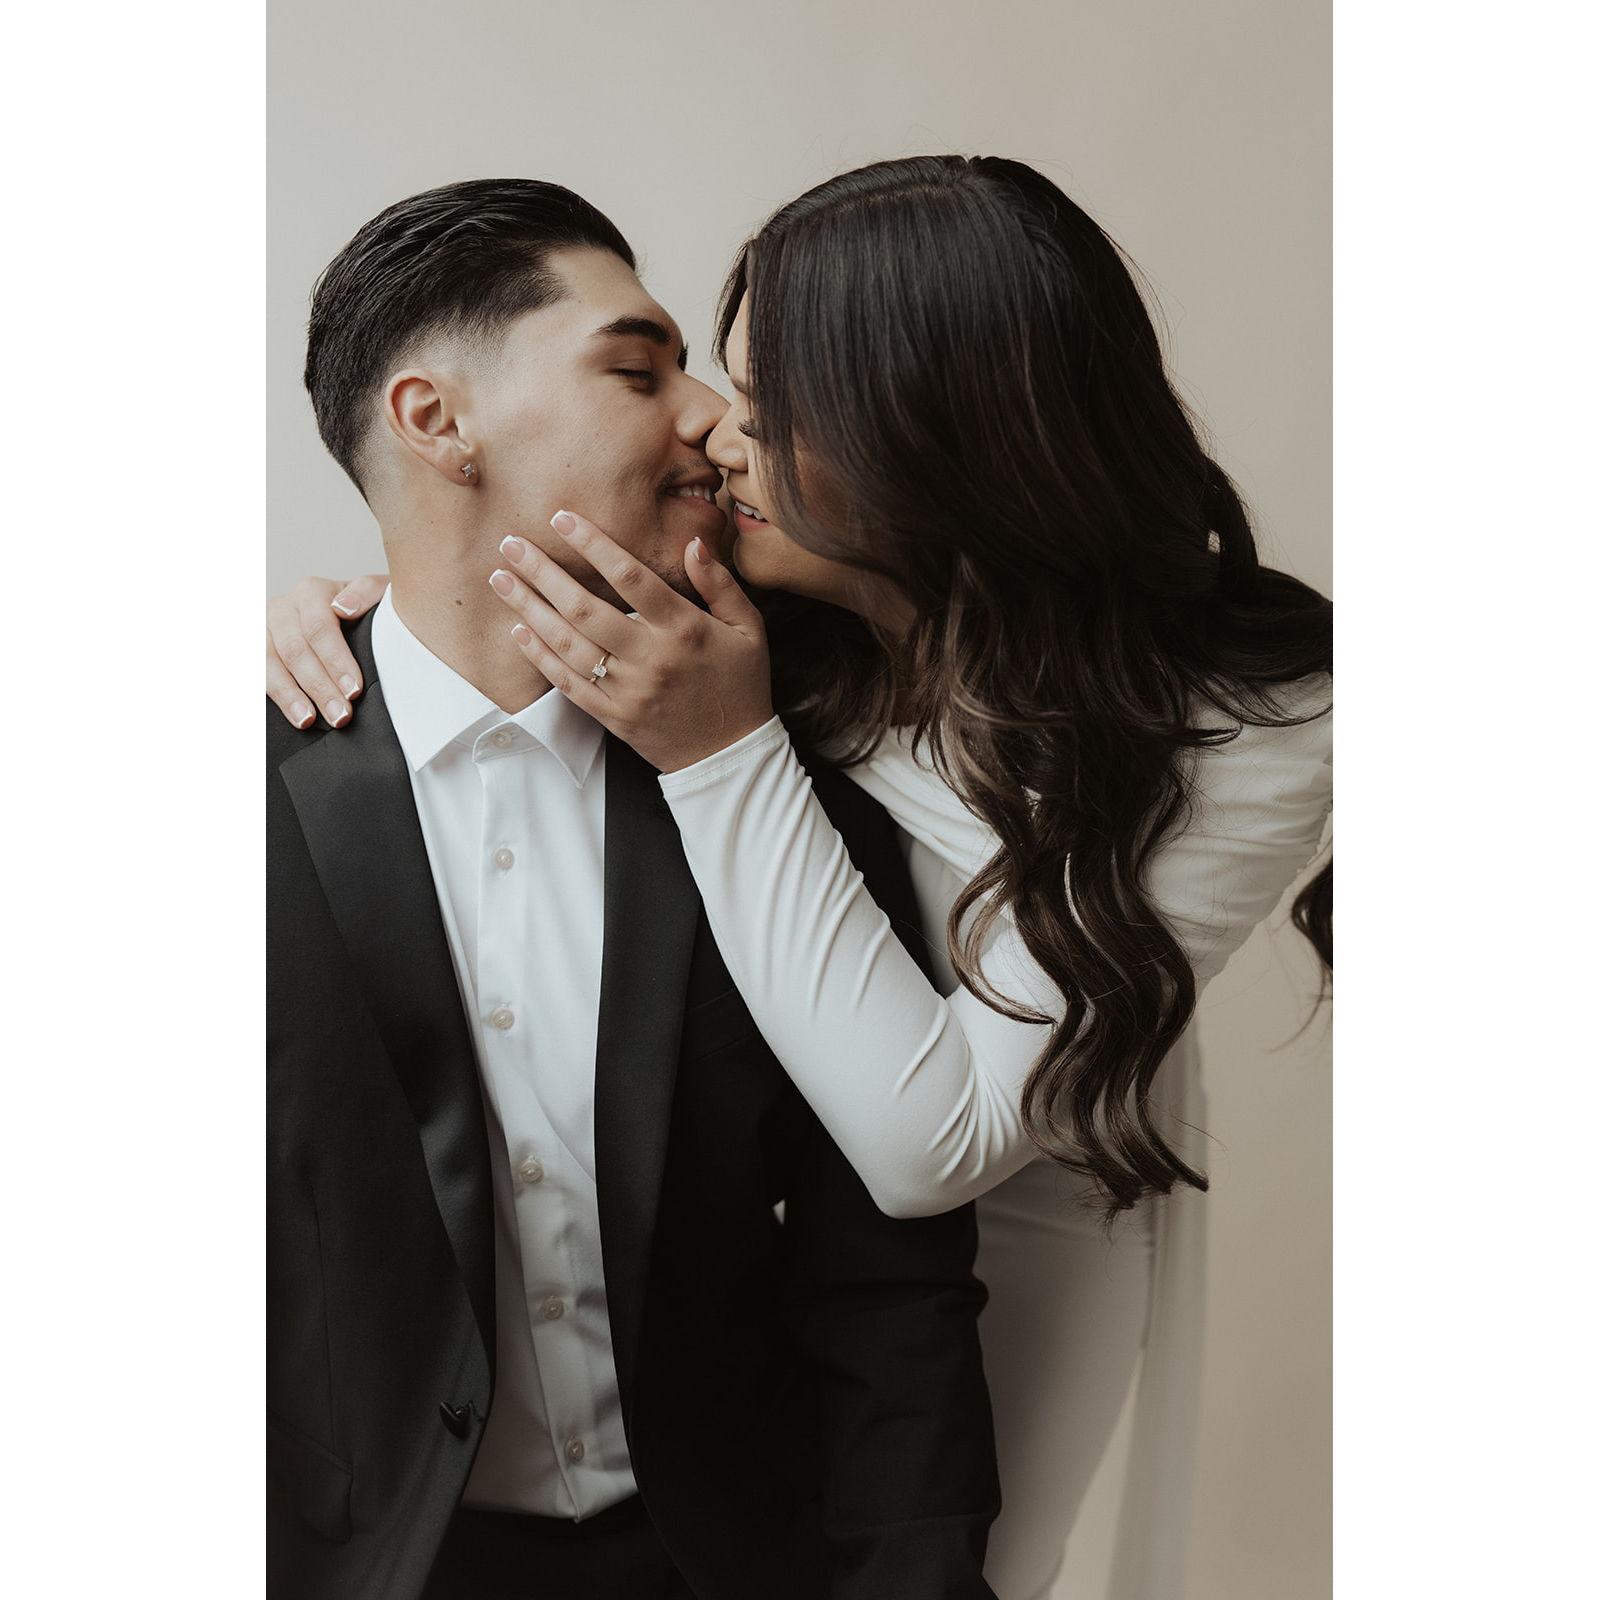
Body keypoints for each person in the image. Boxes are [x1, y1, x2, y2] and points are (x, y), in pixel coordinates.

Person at [268, 156, 1332, 1600]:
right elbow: (460, 591)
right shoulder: (749, 631)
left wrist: (721, 754)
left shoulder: (1244, 723)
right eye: (660, 372)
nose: (718, 425)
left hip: (1024, 1160)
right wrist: (346, 621)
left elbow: (925, 1161)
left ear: (929, 430)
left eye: (774, 406)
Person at [267, 176, 1001, 1600]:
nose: (713, 421)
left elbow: (884, 1287)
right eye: (637, 369)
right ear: (436, 421)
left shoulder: (789, 780)